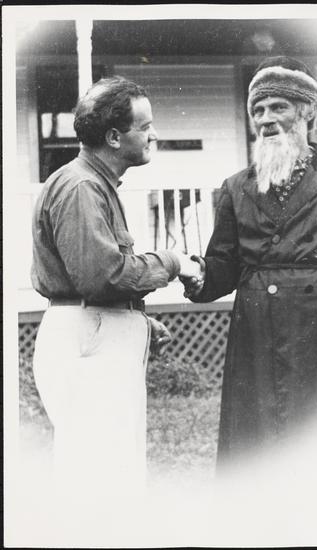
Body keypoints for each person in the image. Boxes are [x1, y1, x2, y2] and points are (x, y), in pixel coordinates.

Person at [181, 56, 317, 467]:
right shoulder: (235, 188)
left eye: (278, 106)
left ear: (308, 111)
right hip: (255, 333)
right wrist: (197, 273)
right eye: (258, 110)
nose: (265, 119)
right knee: (256, 447)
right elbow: (223, 266)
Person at [31, 76, 200, 494]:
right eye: (145, 126)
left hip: (95, 329)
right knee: (99, 484)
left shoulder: (94, 184)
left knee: (116, 473)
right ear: (113, 137)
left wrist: (135, 320)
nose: (153, 135)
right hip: (88, 338)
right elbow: (101, 278)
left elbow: (96, 277)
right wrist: (172, 261)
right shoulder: (82, 187)